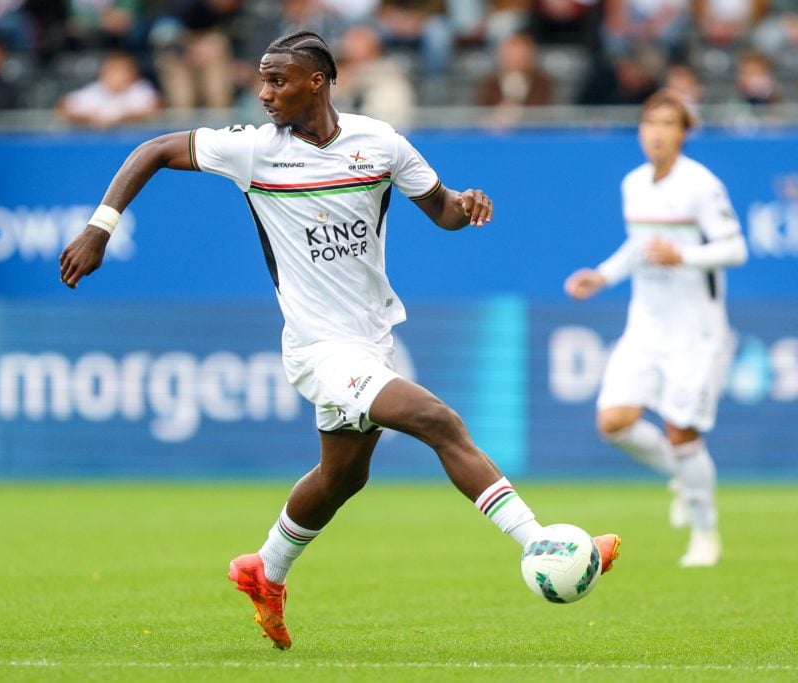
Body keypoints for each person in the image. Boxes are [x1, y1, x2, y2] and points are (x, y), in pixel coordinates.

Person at [60, 30, 621, 650]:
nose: (264, 93)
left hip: (370, 339)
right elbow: (155, 148)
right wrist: (99, 229)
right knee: (436, 419)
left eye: (278, 80)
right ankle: (539, 540)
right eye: (262, 79)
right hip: (317, 348)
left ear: (318, 82)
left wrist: (467, 202)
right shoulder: (251, 150)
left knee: (342, 477)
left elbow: (441, 210)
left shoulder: (379, 143)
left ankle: (265, 571)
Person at [565, 89, 747, 569]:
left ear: (684, 132)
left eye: (669, 123)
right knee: (613, 423)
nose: (658, 131)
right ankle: (683, 478)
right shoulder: (634, 184)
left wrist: (683, 255)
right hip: (646, 324)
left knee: (681, 430)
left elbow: (734, 249)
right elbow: (638, 244)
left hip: (696, 331)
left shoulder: (702, 186)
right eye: (650, 122)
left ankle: (706, 537)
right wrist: (602, 274)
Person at [56, 50, 159, 128]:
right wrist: (90, 118)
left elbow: (155, 107)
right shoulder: (94, 91)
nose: (118, 76)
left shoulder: (140, 90)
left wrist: (123, 118)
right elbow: (63, 106)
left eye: (122, 71)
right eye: (114, 70)